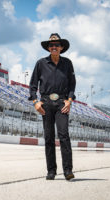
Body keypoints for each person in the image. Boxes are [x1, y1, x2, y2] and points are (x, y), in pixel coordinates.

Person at [28, 33, 76, 180]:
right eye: (51, 45)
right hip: (46, 103)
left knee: (64, 135)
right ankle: (51, 171)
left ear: (61, 47)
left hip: (62, 102)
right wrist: (36, 102)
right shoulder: (41, 63)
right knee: (49, 138)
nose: (53, 47)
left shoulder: (67, 63)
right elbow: (32, 85)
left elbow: (72, 84)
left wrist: (69, 100)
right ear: (48, 48)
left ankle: (68, 170)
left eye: (56, 45)